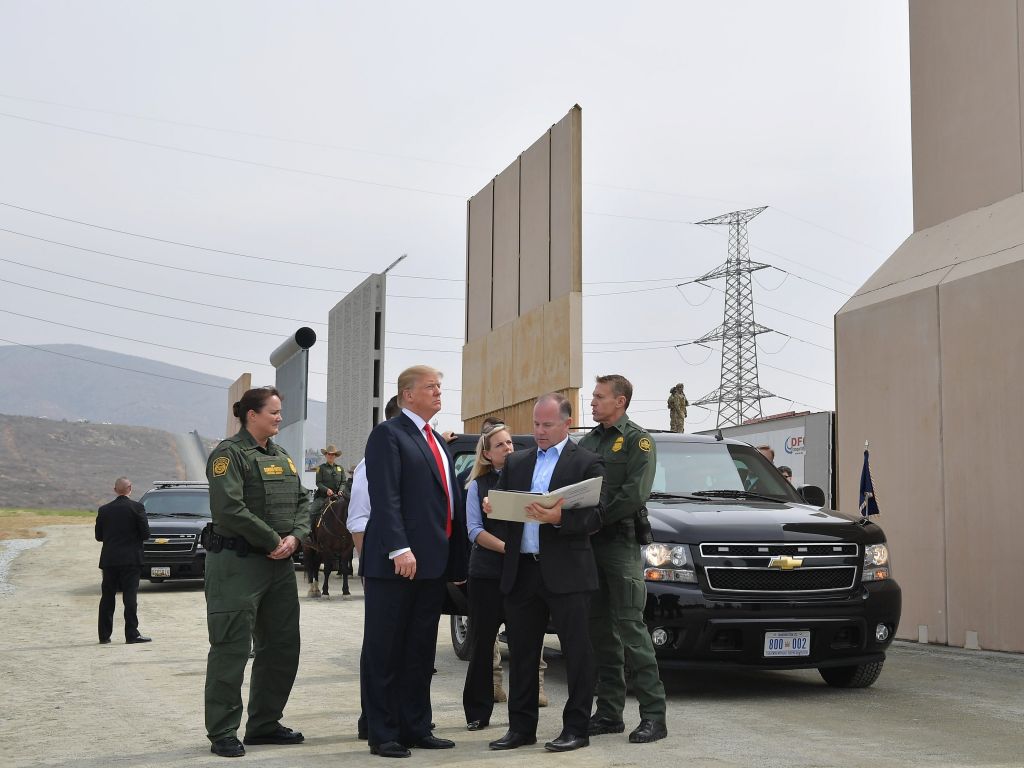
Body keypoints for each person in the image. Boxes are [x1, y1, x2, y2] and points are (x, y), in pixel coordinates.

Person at [485, 393, 604, 753]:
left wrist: (559, 518)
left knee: (577, 653)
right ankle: (521, 728)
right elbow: (506, 508)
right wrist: (494, 507)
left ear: (567, 423)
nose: (539, 431)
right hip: (522, 571)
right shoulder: (517, 462)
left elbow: (599, 516)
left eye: (547, 424)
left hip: (568, 574)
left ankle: (576, 729)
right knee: (521, 653)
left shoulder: (586, 462)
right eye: (536, 424)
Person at [362, 366, 468, 758]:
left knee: (419, 651)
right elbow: (385, 496)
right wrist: (398, 548)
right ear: (408, 395)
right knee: (386, 650)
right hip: (396, 564)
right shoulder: (389, 435)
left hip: (431, 565)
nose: (439, 392)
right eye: (430, 387)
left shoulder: (435, 439)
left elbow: (447, 502)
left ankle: (416, 726)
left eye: (440, 386)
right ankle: (383, 732)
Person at [203, 386, 310, 758]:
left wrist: (295, 538)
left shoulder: (280, 455)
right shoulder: (228, 455)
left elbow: (303, 500)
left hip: (278, 566)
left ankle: (264, 724)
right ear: (252, 415)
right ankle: (222, 731)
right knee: (231, 647)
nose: (280, 418)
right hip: (237, 565)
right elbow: (229, 509)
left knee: (281, 647)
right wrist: (272, 540)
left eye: (280, 412)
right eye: (274, 412)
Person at [580, 375, 668, 744]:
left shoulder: (638, 441)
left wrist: (599, 517)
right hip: (591, 546)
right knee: (600, 633)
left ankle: (653, 716)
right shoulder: (587, 441)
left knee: (632, 630)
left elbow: (636, 492)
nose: (593, 403)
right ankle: (610, 713)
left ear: (621, 401)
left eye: (599, 397)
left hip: (621, 544)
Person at [462, 423, 515, 730]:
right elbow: (474, 531)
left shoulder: (526, 481)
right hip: (486, 575)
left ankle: (520, 715)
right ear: (486, 453)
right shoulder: (477, 487)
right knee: (483, 645)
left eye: (510, 443)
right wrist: (508, 549)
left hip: (520, 575)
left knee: (523, 645)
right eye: (500, 445)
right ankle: (478, 712)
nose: (508, 449)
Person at [95, 477, 151, 645]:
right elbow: (145, 534)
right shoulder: (137, 508)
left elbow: (99, 536)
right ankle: (131, 634)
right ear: (130, 488)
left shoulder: (104, 510)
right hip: (131, 560)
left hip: (110, 560)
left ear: (115, 489)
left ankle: (104, 635)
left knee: (107, 597)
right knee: (130, 597)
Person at [312, 444, 346, 527]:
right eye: (329, 454)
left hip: (338, 497)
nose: (331, 456)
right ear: (326, 455)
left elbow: (343, 482)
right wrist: (327, 490)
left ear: (335, 456)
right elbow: (318, 483)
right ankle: (310, 533)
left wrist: (341, 490)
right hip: (323, 497)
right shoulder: (320, 468)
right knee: (311, 511)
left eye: (333, 454)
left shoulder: (340, 468)